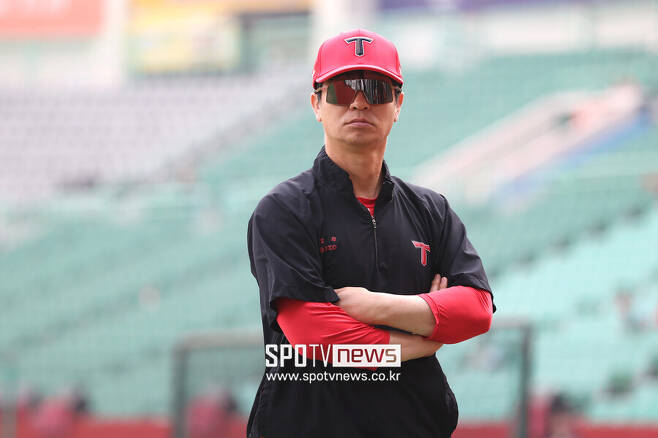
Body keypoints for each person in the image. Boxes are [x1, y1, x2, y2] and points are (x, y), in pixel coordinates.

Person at [247, 29, 496, 438]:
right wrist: (422, 337)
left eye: (376, 89)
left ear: (397, 104)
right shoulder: (284, 209)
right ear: (317, 104)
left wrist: (373, 305)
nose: (359, 101)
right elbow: (313, 336)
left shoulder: (431, 210)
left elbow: (476, 309)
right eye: (342, 89)